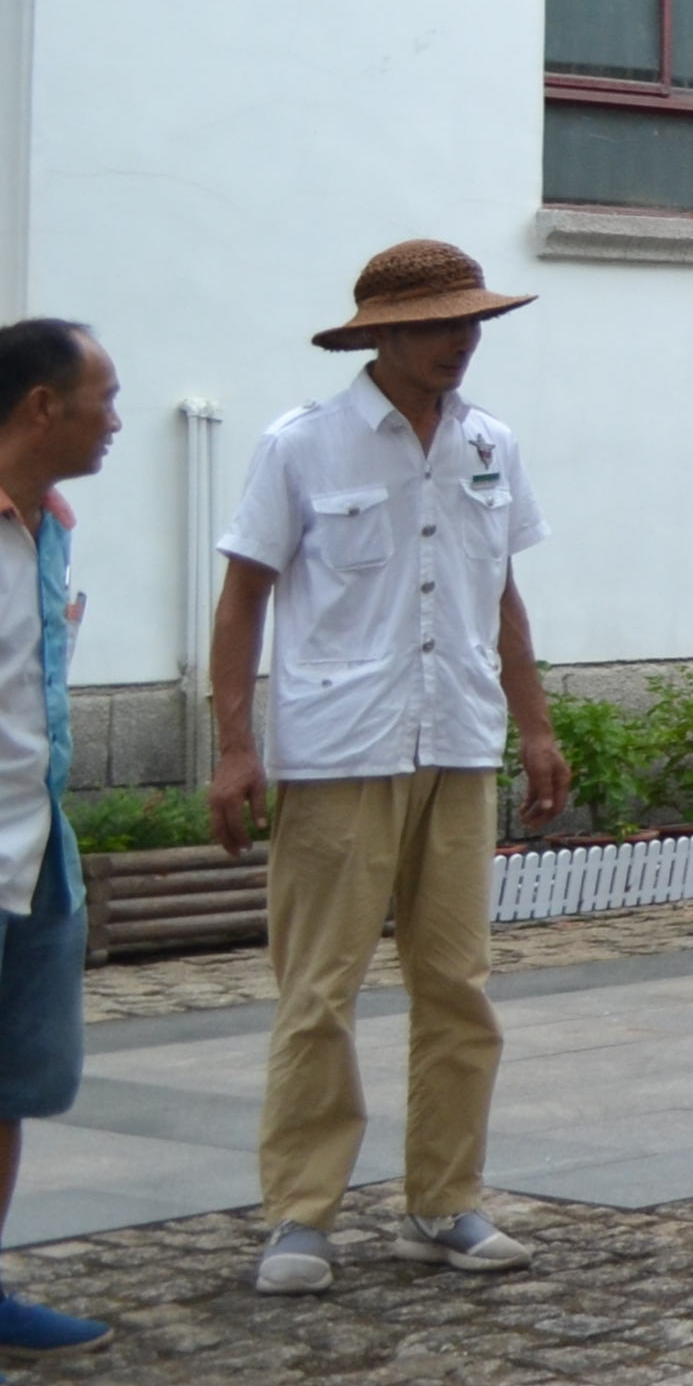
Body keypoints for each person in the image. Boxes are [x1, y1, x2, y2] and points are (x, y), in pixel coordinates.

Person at [208, 242, 566, 1293]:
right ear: (381, 335)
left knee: (457, 984)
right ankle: (300, 1215)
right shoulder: (303, 446)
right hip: (339, 749)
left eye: (472, 324)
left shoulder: (488, 444)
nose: (461, 343)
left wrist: (535, 727)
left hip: (457, 739)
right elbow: (242, 600)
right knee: (319, 988)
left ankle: (443, 1202)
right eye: (439, 325)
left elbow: (500, 593)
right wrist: (236, 746)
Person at [0, 320, 121, 1367]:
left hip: (35, 847)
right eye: (103, 398)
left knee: (13, 1083)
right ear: (43, 407)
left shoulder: (55, 523)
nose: (115, 419)